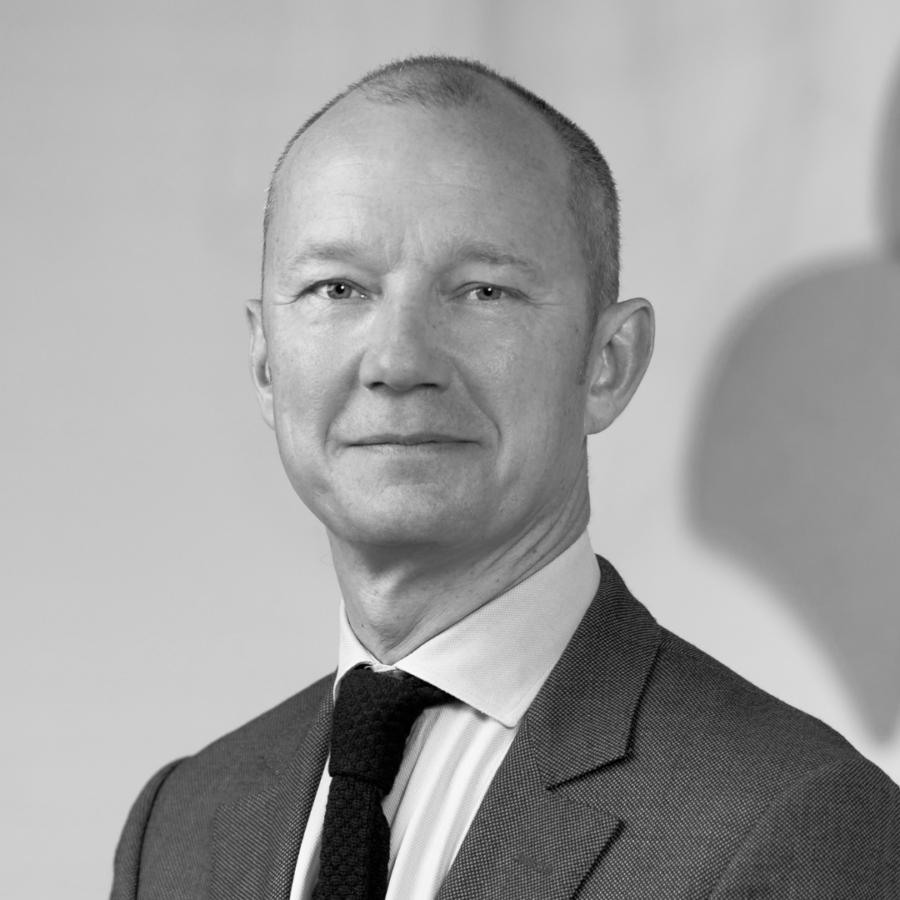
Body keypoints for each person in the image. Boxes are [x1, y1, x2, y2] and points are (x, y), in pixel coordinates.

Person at [110, 56, 900, 900]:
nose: (398, 361)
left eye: (483, 291)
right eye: (337, 288)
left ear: (608, 363)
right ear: (266, 361)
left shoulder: (798, 822)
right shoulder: (182, 823)